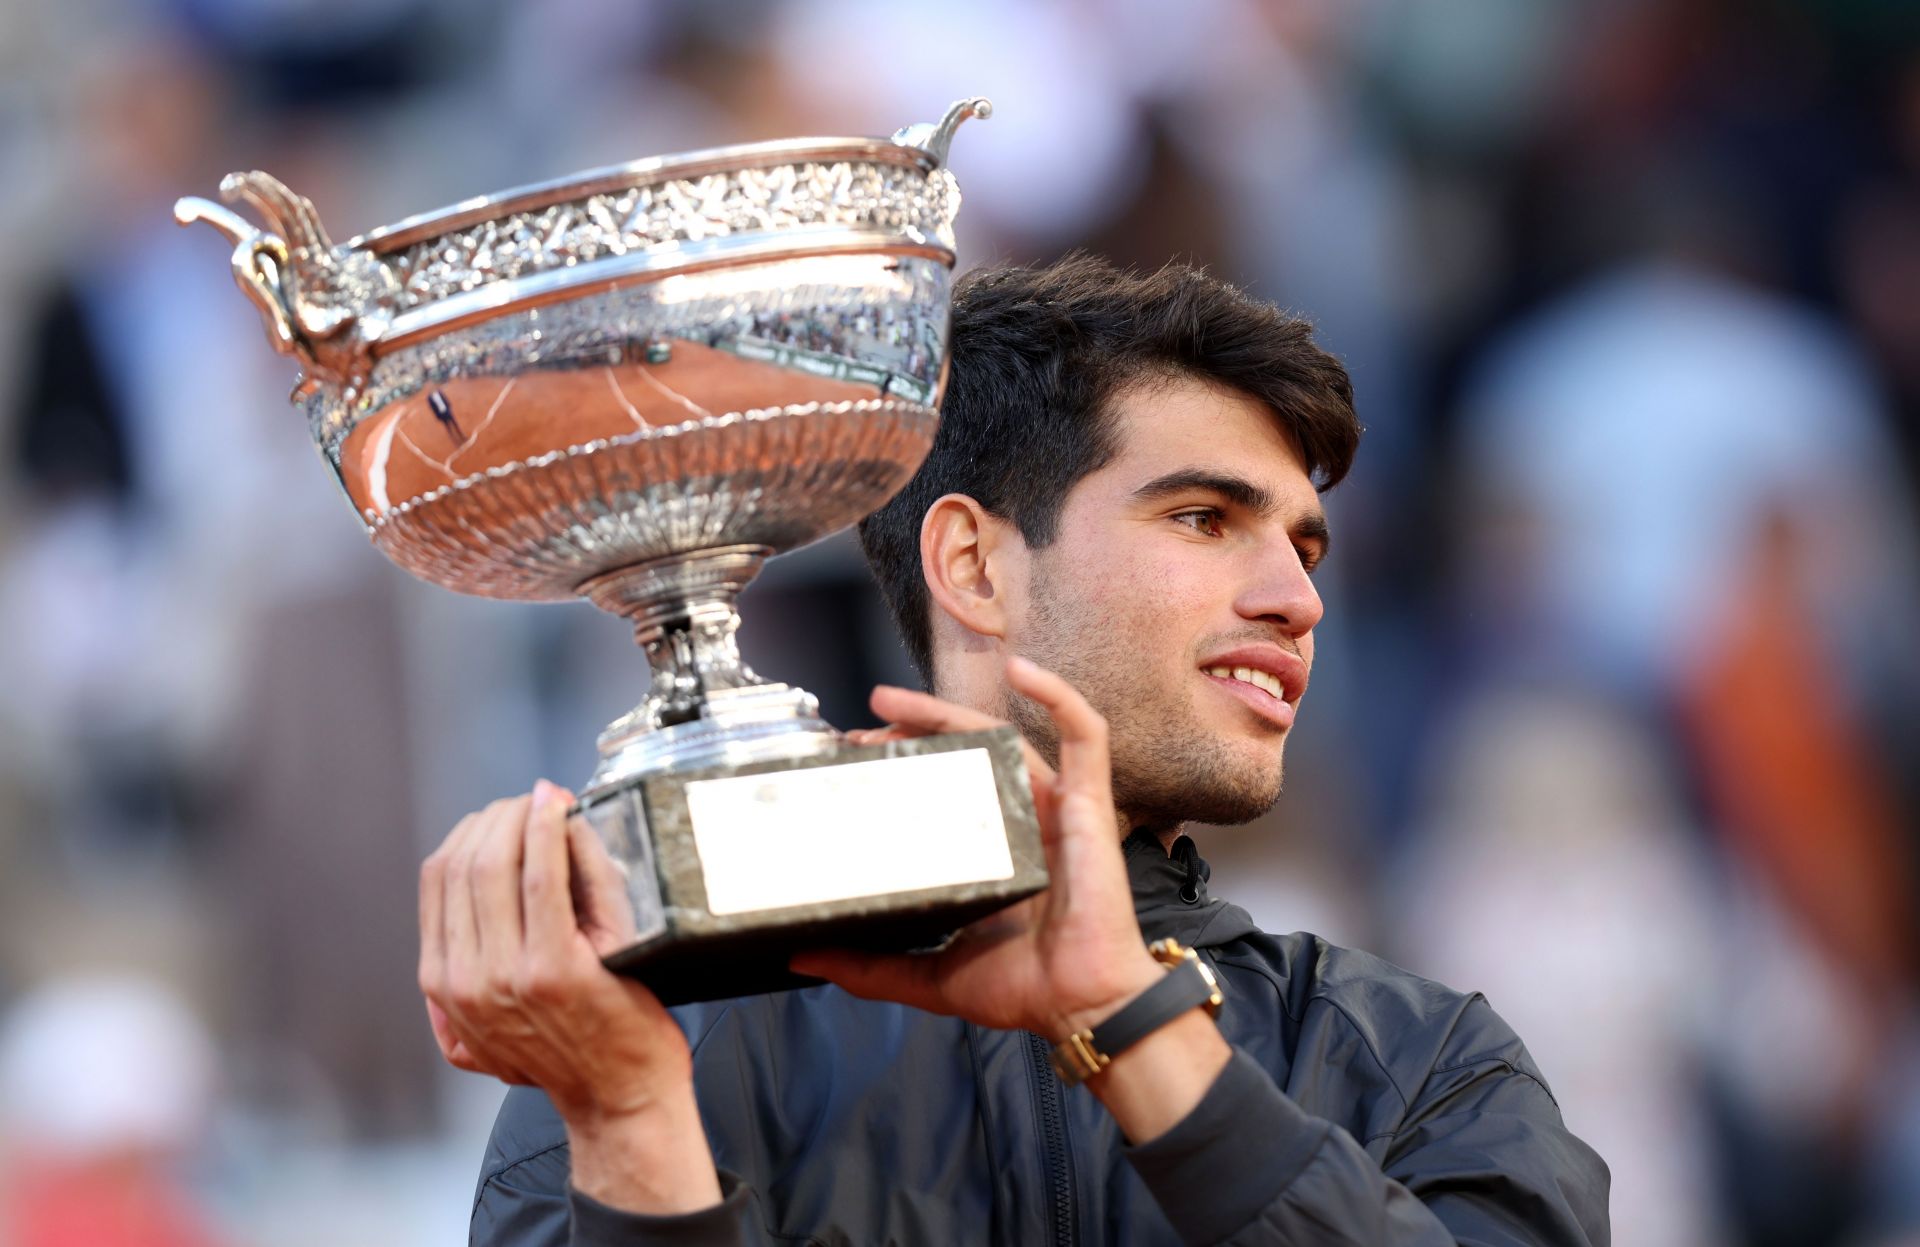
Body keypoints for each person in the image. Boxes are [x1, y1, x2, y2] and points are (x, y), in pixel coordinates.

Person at [419, 255, 1612, 1245]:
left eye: (1307, 547)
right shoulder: (664, 1048)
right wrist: (631, 1121)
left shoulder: (1427, 1062)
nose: (1294, 597)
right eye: (1205, 518)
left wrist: (1124, 1018)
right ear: (975, 565)